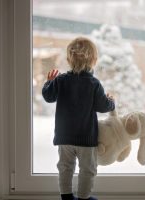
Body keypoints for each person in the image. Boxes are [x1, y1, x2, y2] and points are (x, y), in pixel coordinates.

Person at [42, 37, 115, 200]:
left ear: (69, 59)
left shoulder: (60, 80)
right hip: (86, 138)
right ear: (94, 60)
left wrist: (49, 82)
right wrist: (111, 101)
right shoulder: (93, 84)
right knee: (87, 169)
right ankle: (84, 197)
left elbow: (48, 96)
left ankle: (66, 196)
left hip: (64, 137)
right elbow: (102, 106)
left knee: (65, 167)